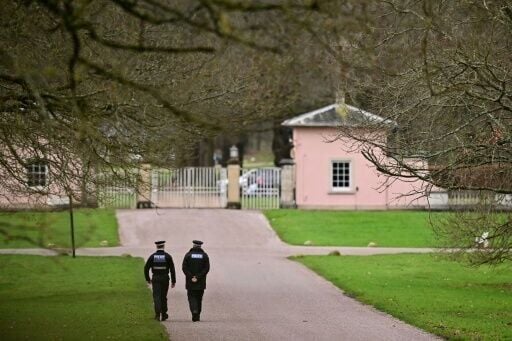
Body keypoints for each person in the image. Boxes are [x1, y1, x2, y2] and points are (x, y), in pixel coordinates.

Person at [144, 240, 176, 321]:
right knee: (163, 297)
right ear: (163, 246)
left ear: (157, 246)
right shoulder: (168, 256)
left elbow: (146, 268)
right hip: (165, 278)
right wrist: (173, 281)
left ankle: (157, 315)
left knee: (157, 296)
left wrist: (148, 279)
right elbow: (172, 269)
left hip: (156, 278)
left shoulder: (152, 256)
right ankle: (164, 314)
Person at [182, 240, 210, 322]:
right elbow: (206, 268)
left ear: (193, 246)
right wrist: (198, 277)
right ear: (200, 246)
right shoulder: (204, 256)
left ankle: (194, 311)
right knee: (199, 298)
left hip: (190, 281)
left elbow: (184, 268)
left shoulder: (188, 255)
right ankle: (197, 314)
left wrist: (191, 277)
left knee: (191, 297)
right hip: (201, 281)